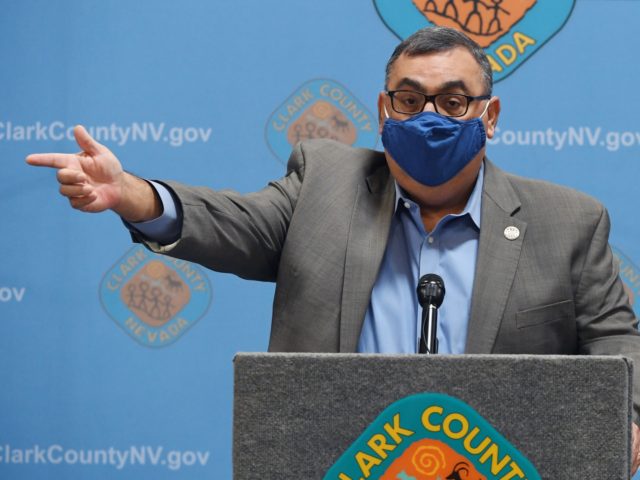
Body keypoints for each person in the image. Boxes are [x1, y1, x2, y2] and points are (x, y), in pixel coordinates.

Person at [26, 26, 640, 471]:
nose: (429, 116)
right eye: (408, 99)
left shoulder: (568, 220)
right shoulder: (325, 181)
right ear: (382, 109)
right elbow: (236, 222)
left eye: (454, 102)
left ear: (490, 115)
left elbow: (616, 338)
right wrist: (133, 194)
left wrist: (629, 419)